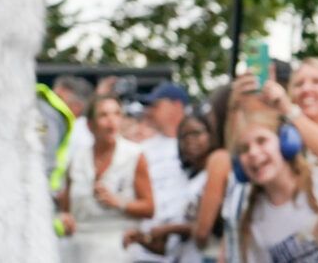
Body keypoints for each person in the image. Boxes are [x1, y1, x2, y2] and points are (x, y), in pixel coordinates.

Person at [225, 106, 318, 262]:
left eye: (261, 141)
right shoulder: (253, 219)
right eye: (244, 149)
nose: (253, 153)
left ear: (286, 141)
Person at [125, 111, 232, 263]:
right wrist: (143, 239)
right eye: (183, 136)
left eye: (196, 133)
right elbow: (172, 249)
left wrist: (170, 229)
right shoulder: (187, 179)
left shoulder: (216, 170)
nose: (189, 140)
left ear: (211, 134)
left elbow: (204, 234)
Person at [59, 94, 155, 263]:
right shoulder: (76, 159)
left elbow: (149, 207)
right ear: (90, 125)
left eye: (117, 114)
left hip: (118, 246)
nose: (112, 120)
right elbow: (66, 209)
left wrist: (118, 202)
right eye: (104, 115)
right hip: (78, 248)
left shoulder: (134, 155)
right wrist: (64, 219)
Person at [129, 83, 193, 263]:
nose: (151, 111)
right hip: (145, 248)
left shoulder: (196, 148)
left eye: (156, 105)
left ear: (177, 106)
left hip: (183, 249)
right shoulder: (143, 149)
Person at [286, 60, 318, 164]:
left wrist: (290, 111)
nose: (306, 89)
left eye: (317, 81)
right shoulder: (286, 139)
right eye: (299, 84)